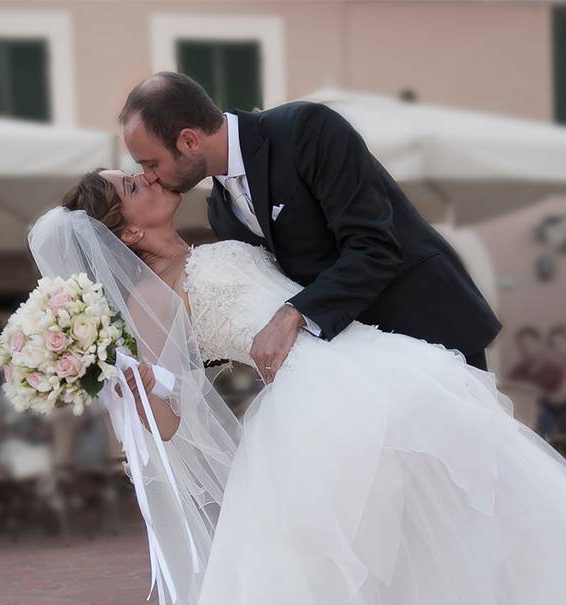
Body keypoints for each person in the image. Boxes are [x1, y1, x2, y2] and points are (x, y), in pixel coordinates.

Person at [29, 170, 566, 605]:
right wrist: (131, 390)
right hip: (310, 402)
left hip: (368, 359)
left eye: (140, 171)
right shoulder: (156, 297)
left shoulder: (222, 236)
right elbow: (175, 407)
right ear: (125, 233)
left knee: (463, 508)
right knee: (345, 557)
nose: (148, 178)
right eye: (132, 185)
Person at [118, 72, 500, 378]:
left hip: (431, 335)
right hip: (363, 369)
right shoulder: (220, 210)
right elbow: (257, 300)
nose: (150, 177)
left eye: (150, 164)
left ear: (187, 141)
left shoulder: (305, 131)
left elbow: (374, 246)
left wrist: (292, 314)